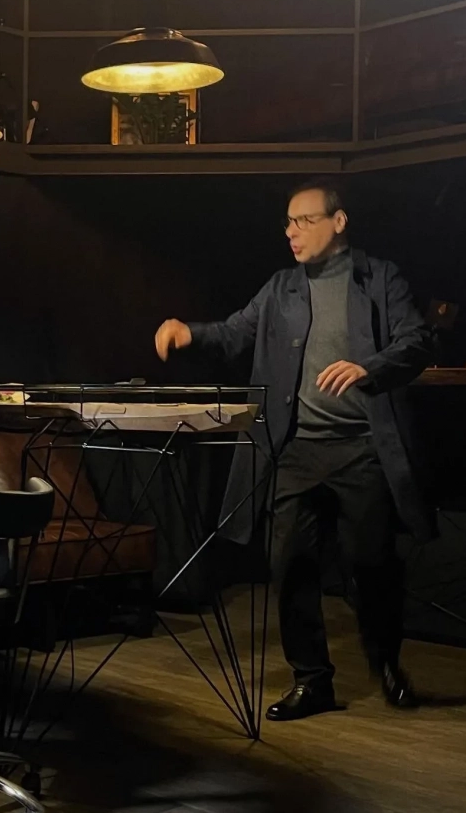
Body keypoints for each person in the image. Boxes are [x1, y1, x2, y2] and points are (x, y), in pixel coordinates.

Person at [155, 178, 433, 722]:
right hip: (295, 451)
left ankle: (386, 662)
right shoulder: (281, 287)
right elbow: (235, 333)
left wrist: (368, 368)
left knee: (371, 565)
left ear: (339, 222)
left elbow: (417, 340)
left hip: (361, 451)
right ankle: (312, 681)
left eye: (304, 220)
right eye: (288, 222)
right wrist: (190, 332)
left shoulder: (380, 278)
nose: (291, 231)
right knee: (290, 567)